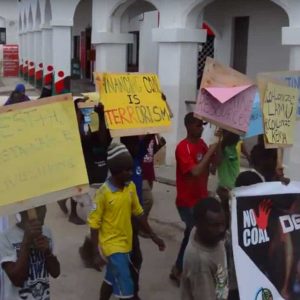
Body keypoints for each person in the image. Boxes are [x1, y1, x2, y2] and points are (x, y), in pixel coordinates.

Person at [87, 143, 165, 300]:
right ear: (116, 172)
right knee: (126, 287)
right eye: (127, 170)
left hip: (126, 243)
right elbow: (94, 225)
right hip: (113, 247)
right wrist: (95, 252)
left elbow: (139, 213)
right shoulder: (103, 194)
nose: (131, 173)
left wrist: (153, 235)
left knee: (110, 279)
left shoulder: (130, 188)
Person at [170, 112, 219, 285]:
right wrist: (210, 152)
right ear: (188, 126)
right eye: (198, 125)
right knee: (192, 233)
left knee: (193, 234)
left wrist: (217, 152)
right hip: (186, 201)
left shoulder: (202, 145)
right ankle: (179, 269)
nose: (201, 128)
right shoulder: (182, 148)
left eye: (202, 125)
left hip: (201, 199)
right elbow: (196, 171)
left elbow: (212, 169)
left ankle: (186, 268)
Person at [0, 205, 60, 300]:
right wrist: (26, 241)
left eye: (44, 206)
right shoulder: (5, 238)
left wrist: (47, 252)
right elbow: (17, 280)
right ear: (24, 213)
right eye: (40, 208)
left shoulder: (47, 232)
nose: (44, 211)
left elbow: (56, 272)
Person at [181, 197, 228, 300]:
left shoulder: (202, 235)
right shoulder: (200, 263)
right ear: (199, 224)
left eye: (223, 223)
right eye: (215, 225)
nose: (221, 229)